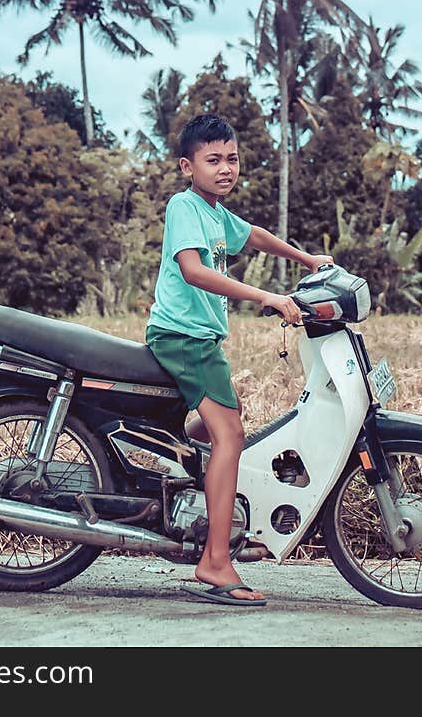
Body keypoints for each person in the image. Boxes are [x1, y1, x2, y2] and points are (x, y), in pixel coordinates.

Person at [145, 112, 333, 607]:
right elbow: (193, 271)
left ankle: (182, 470)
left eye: (231, 158)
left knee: (219, 428)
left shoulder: (215, 212)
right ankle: (214, 562)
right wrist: (266, 296)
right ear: (188, 166)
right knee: (230, 434)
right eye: (213, 160)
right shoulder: (184, 207)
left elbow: (256, 236)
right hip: (183, 337)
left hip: (200, 338)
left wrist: (308, 260)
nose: (225, 168)